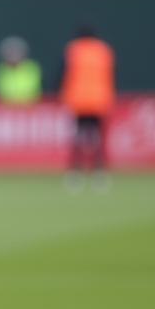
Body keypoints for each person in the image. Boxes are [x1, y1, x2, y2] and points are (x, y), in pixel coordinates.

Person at [59, 26, 115, 189]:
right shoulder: (103, 50)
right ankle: (99, 172)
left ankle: (75, 172)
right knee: (96, 137)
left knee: (78, 136)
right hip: (99, 99)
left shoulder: (73, 49)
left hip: (78, 99)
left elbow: (63, 71)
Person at [0, 36, 41, 104]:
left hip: (29, 108)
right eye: (10, 51)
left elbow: (32, 91)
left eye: (16, 51)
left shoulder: (32, 68)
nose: (13, 55)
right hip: (6, 109)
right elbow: (2, 92)